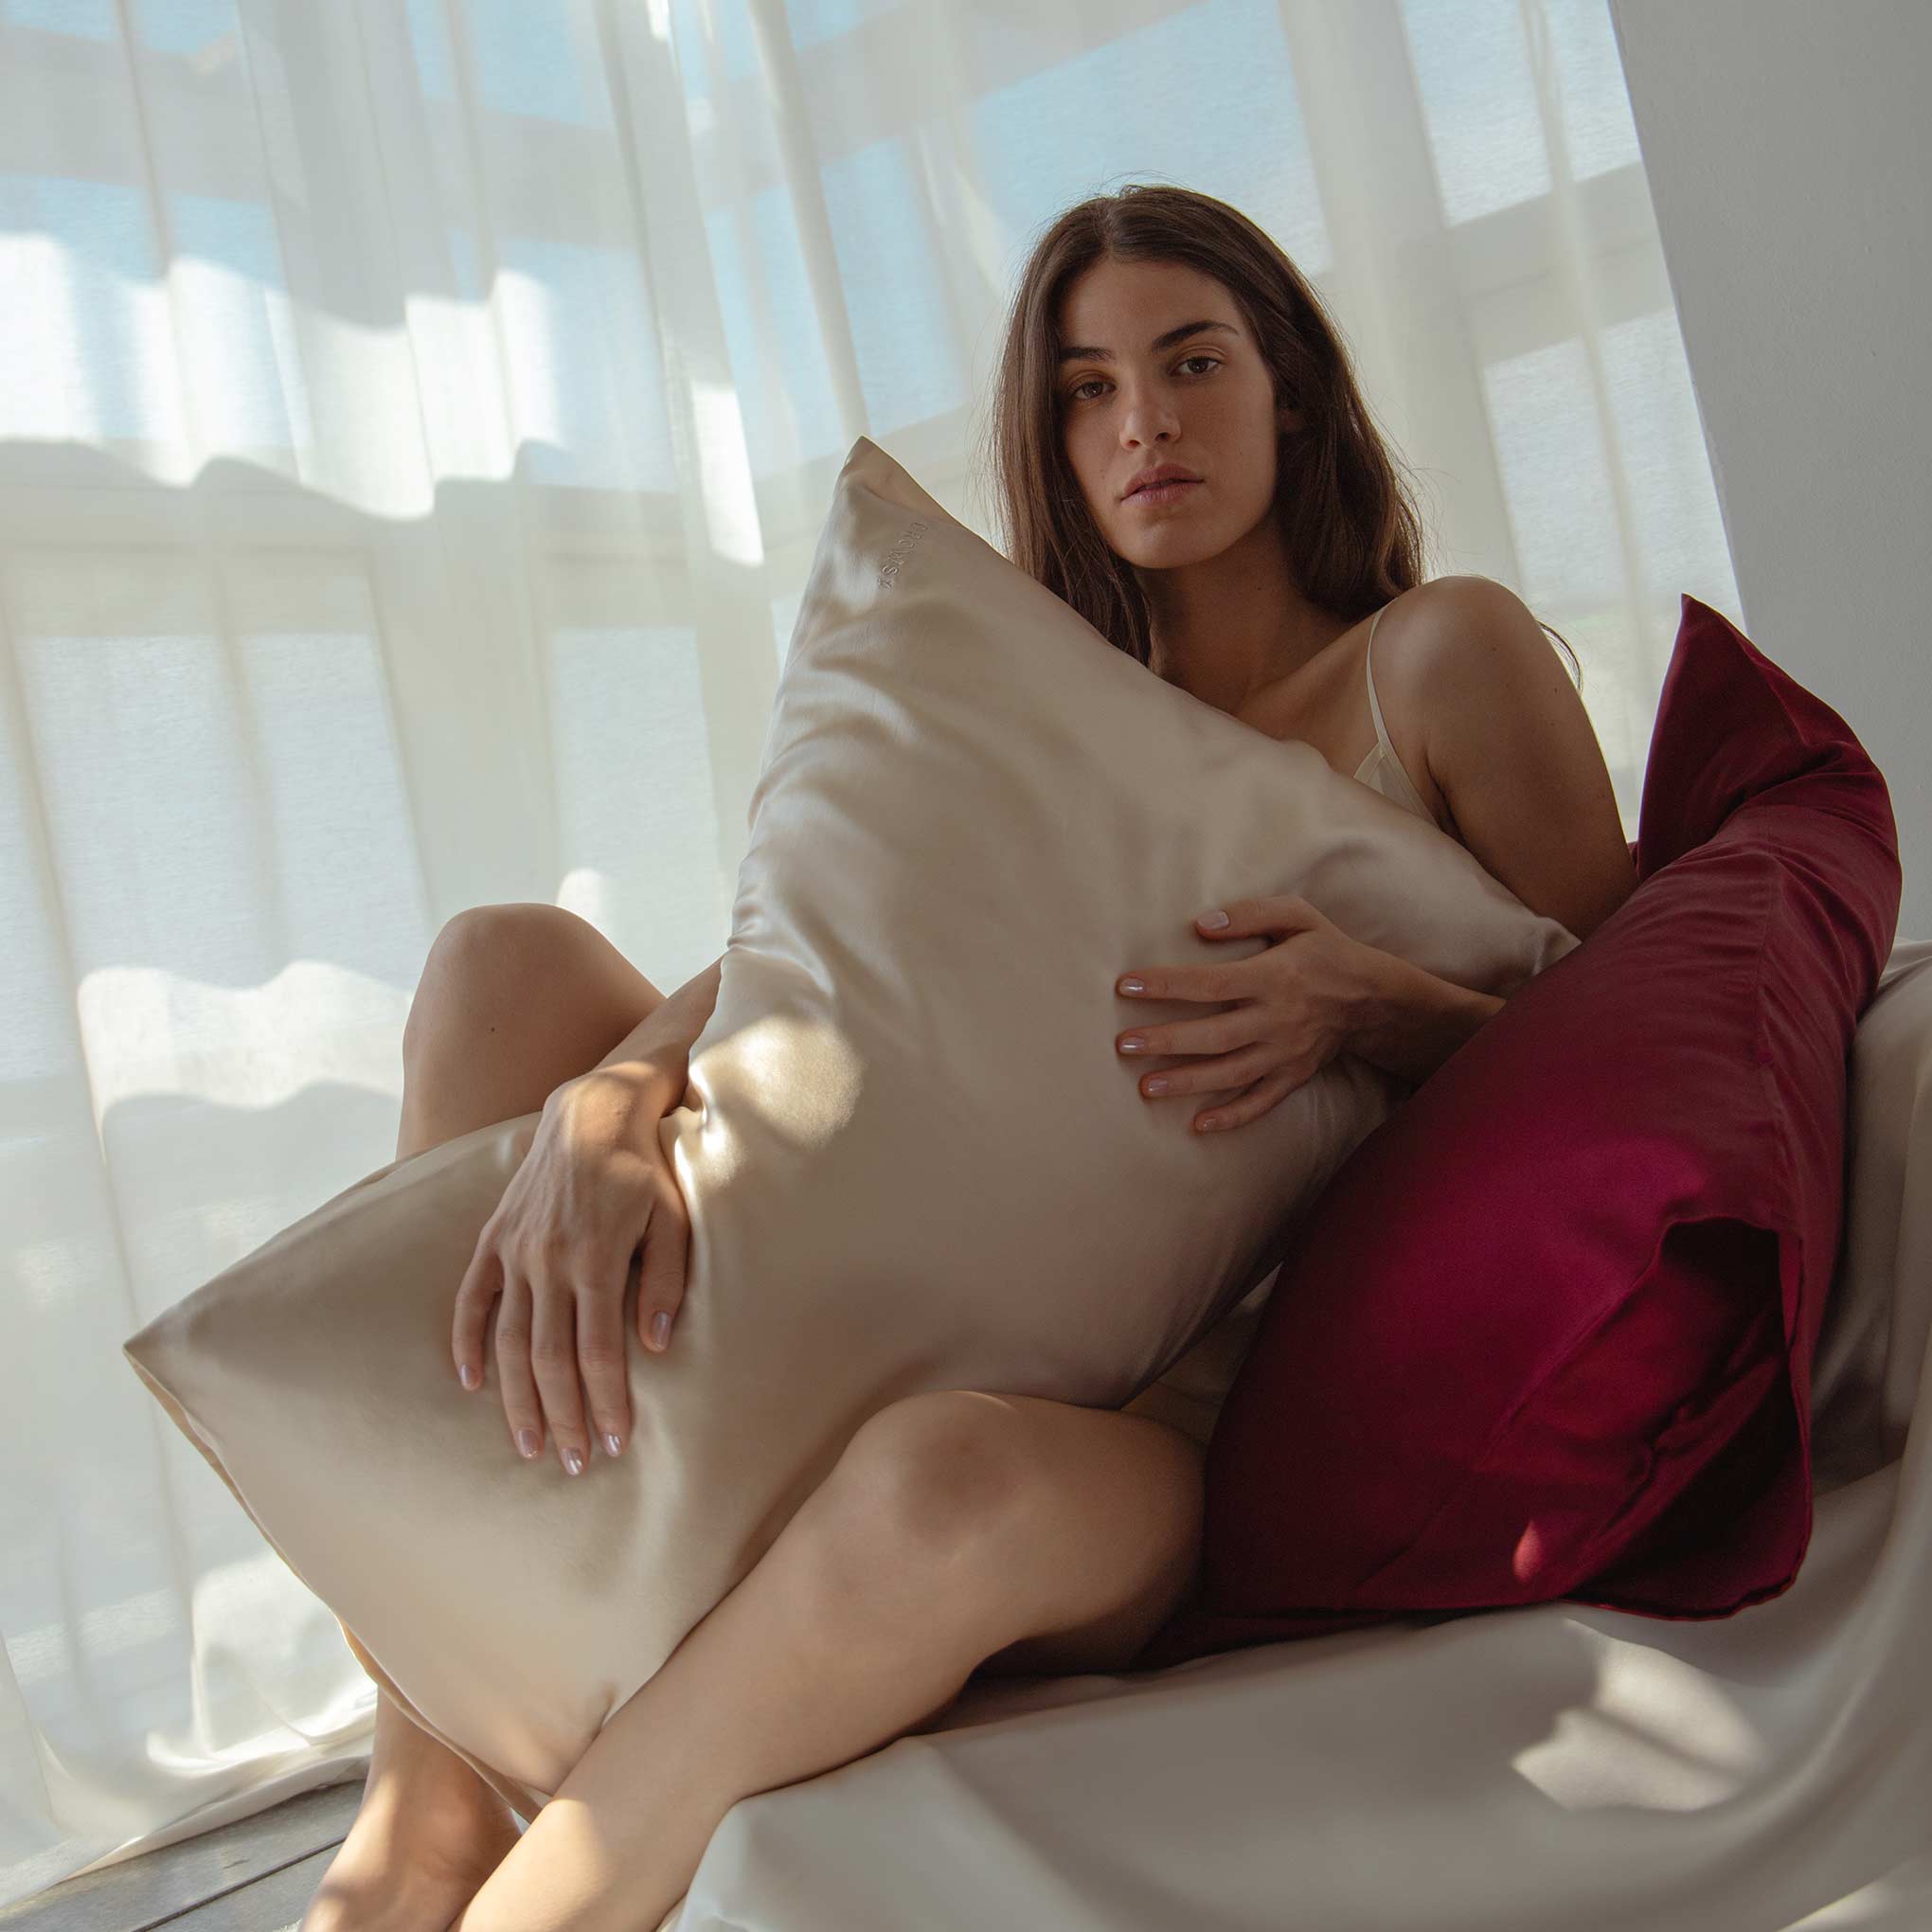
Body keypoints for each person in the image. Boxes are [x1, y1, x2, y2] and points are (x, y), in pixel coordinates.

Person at [301, 183, 1638, 1932]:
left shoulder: (1439, 657)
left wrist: (1373, 1005)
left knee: (944, 1477)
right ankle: (422, 1809)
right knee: (504, 967)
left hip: (1173, 1422)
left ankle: (545, 1902)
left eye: (1192, 360)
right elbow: (816, 954)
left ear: (1290, 388)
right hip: (905, 1289)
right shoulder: (1037, 681)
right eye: (1086, 390)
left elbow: (1640, 1057)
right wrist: (610, 1099)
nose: (1143, 420)